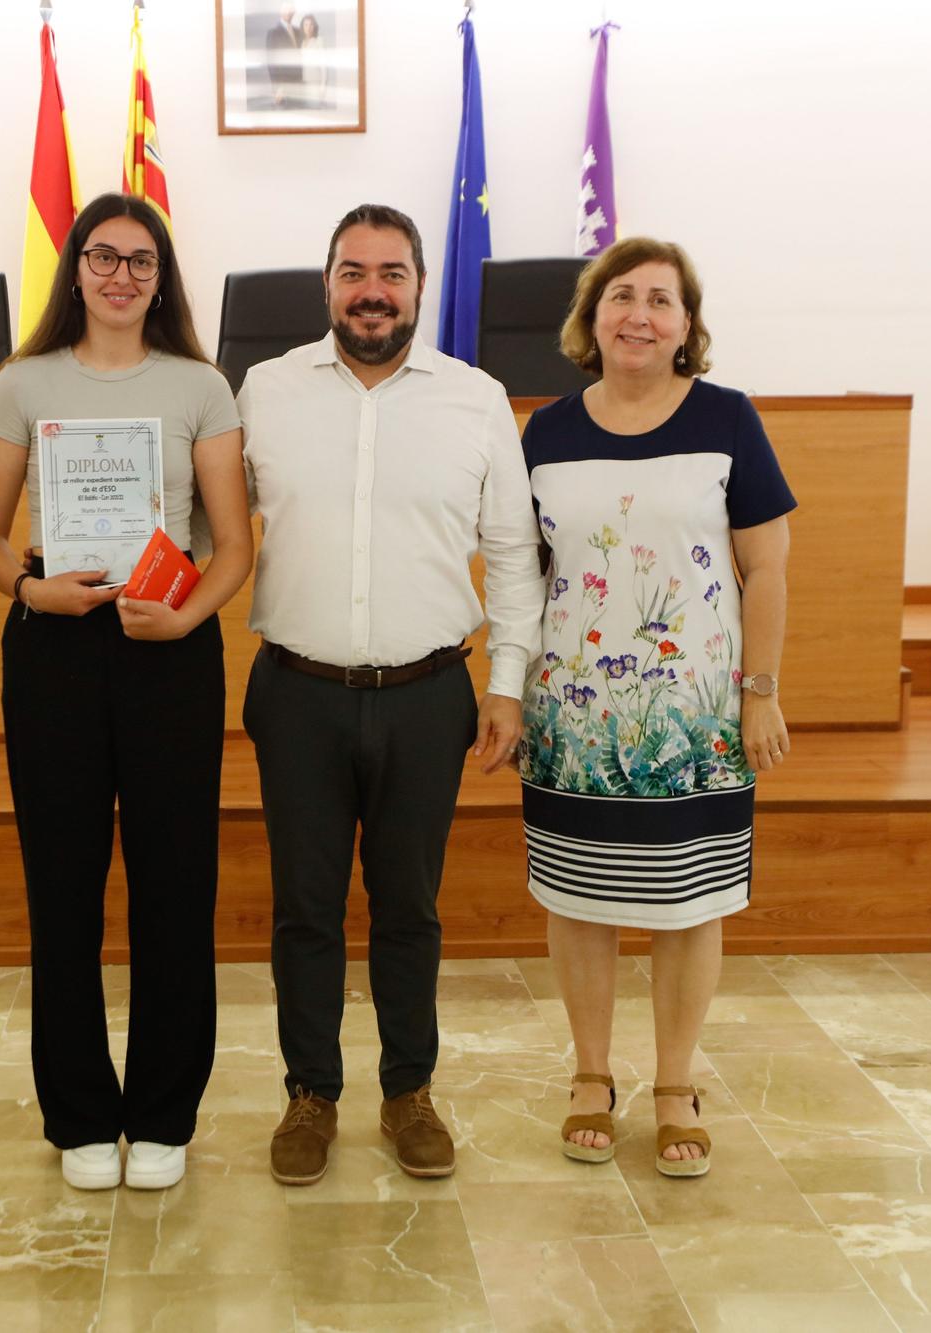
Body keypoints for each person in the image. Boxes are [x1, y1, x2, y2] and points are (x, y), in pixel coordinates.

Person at [239, 203, 544, 1185]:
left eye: (391, 273)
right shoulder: (263, 389)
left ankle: (407, 1089)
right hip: (296, 694)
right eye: (351, 271)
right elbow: (204, 518)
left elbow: (509, 553)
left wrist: (504, 685)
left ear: (419, 285)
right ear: (325, 284)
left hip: (427, 696)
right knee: (305, 909)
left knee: (408, 906)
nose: (371, 290)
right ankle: (310, 1094)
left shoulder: (475, 398)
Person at [0, 193, 250, 1192]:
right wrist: (31, 588)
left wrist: (184, 617)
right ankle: (80, 1112)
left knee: (175, 887)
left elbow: (232, 544)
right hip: (55, 645)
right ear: (75, 269)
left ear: (160, 277)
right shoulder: (21, 382)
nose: (121, 275)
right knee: (63, 886)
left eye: (140, 260)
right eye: (103, 257)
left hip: (168, 645)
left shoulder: (200, 387)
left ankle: (164, 1111)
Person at [520, 237, 795, 1178]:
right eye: (620, 296)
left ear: (687, 325)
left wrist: (760, 691)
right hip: (577, 718)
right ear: (591, 317)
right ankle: (591, 1075)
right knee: (581, 900)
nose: (639, 313)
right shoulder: (546, 431)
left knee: (690, 903)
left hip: (698, 717)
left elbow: (765, 567)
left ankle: (674, 1083)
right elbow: (527, 574)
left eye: (660, 300)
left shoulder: (728, 418)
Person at [263, 4, 302, 107]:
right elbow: (271, 63)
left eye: (291, 9)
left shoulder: (298, 32)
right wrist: (278, 87)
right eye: (285, 9)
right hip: (283, 87)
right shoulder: (273, 33)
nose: (288, 12)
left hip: (299, 84)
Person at [297, 14, 332, 108]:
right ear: (302, 27)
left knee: (315, 108)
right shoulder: (302, 43)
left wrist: (323, 86)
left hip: (315, 83)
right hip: (304, 83)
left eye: (311, 25)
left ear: (314, 27)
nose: (308, 28)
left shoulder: (319, 41)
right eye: (306, 25)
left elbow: (324, 66)